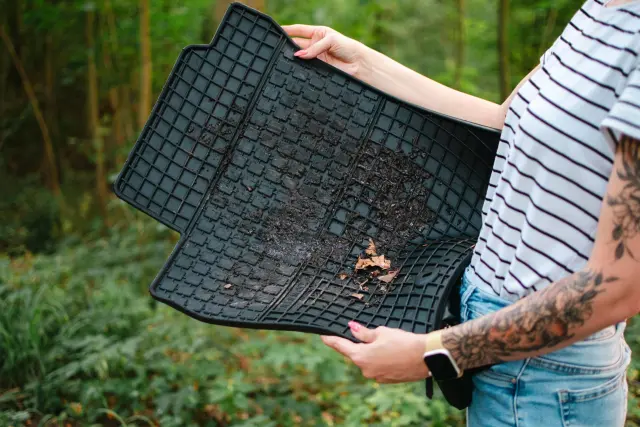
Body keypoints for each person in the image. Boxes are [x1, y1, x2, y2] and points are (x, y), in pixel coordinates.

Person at [284, 0, 640, 425]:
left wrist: (435, 353)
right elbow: (501, 120)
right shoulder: (600, 10)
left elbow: (622, 286)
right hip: (498, 343)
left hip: (547, 373)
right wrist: (363, 64)